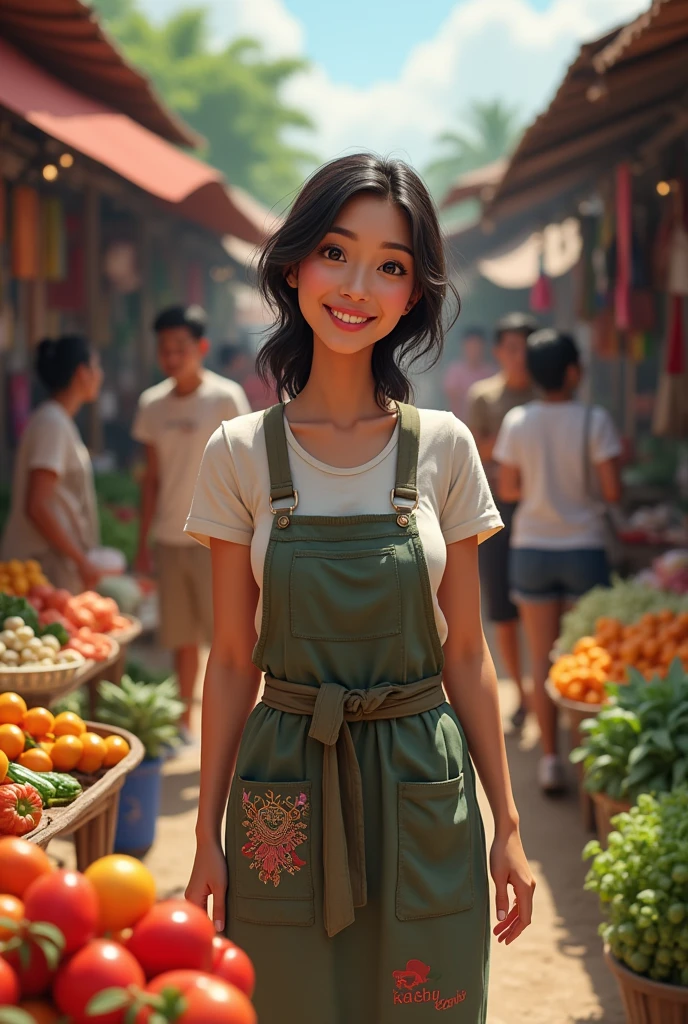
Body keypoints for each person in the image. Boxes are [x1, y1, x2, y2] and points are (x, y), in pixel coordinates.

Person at [184, 153, 534, 1023]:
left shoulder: (447, 447)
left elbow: (467, 653)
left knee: (432, 1005)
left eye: (391, 265)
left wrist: (512, 828)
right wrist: (204, 837)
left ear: (413, 293)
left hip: (423, 775)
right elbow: (230, 660)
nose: (357, 285)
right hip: (285, 783)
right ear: (296, 264)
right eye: (336, 252)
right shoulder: (236, 452)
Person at [494, 329, 621, 793]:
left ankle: (550, 759)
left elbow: (507, 489)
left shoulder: (518, 420)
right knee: (586, 661)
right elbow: (611, 492)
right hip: (584, 549)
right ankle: (587, 760)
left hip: (531, 548)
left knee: (542, 661)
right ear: (572, 372)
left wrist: (542, 490)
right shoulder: (595, 420)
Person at [132, 305, 250, 738]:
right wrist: (142, 543)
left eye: (180, 346)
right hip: (169, 535)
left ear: (200, 347)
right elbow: (152, 480)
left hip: (218, 536)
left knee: (227, 636)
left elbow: (245, 468)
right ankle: (185, 722)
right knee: (181, 637)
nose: (172, 355)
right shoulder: (151, 405)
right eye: (164, 347)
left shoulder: (225, 397)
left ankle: (233, 724)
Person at [466, 313, 537, 729]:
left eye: (525, 348)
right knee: (503, 608)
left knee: (540, 605)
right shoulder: (484, 396)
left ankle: (540, 686)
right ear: (499, 352)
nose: (519, 356)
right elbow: (478, 450)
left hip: (539, 506)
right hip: (497, 510)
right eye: (511, 348)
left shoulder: (545, 394)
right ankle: (522, 693)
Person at [1, 336, 103, 593]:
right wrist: (80, 560)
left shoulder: (56, 420)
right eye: (96, 367)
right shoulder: (52, 423)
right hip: (43, 566)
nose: (100, 375)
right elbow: (38, 505)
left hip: (50, 563)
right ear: (82, 372)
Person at [443, 326, 493, 421]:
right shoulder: (455, 372)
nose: (474, 350)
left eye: (477, 346)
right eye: (470, 346)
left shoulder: (491, 372)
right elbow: (453, 402)